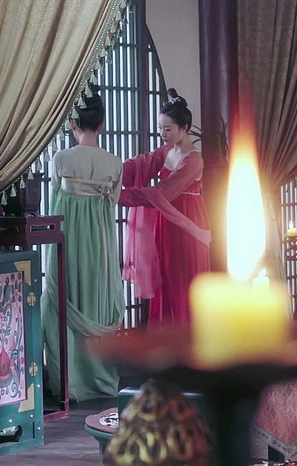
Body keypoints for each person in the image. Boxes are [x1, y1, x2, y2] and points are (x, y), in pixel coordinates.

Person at [42, 86, 125, 401]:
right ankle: (100, 380)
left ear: (73, 124)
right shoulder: (114, 163)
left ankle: (69, 382)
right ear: (101, 124)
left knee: (64, 296)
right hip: (100, 242)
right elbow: (112, 201)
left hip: (68, 240)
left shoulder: (61, 159)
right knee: (96, 300)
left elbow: (54, 197)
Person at [119, 88, 211, 328]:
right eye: (160, 128)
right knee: (165, 278)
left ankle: (187, 340)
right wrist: (111, 171)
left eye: (168, 129)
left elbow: (162, 192)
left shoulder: (194, 159)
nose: (162, 134)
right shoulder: (167, 151)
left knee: (184, 280)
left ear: (185, 127)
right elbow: (141, 165)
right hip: (165, 223)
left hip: (187, 224)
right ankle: (164, 337)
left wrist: (119, 196)